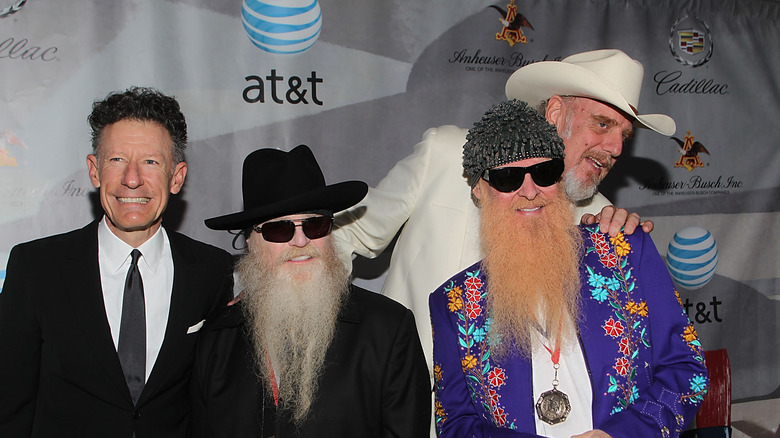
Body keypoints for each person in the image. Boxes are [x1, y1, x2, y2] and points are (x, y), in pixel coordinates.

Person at [333, 49, 676, 373]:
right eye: (602, 124)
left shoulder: (601, 219)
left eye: (624, 136)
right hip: (407, 409)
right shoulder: (447, 156)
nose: (615, 148)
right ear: (556, 113)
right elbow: (345, 236)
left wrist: (617, 255)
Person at [430, 99, 708, 437]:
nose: (530, 191)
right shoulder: (454, 302)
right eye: (507, 178)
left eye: (544, 173)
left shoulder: (626, 252)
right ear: (479, 190)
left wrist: (620, 434)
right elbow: (455, 424)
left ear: (561, 179)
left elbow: (686, 370)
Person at [0, 87, 234, 437]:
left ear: (177, 177)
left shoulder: (210, 271)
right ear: (94, 171)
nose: (132, 178)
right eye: (117, 160)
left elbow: (212, 404)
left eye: (151, 162)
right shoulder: (36, 268)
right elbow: (10, 405)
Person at [192, 145, 431, 437]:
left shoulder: (388, 330)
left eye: (315, 225)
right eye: (279, 229)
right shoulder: (217, 339)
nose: (301, 240)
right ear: (250, 243)